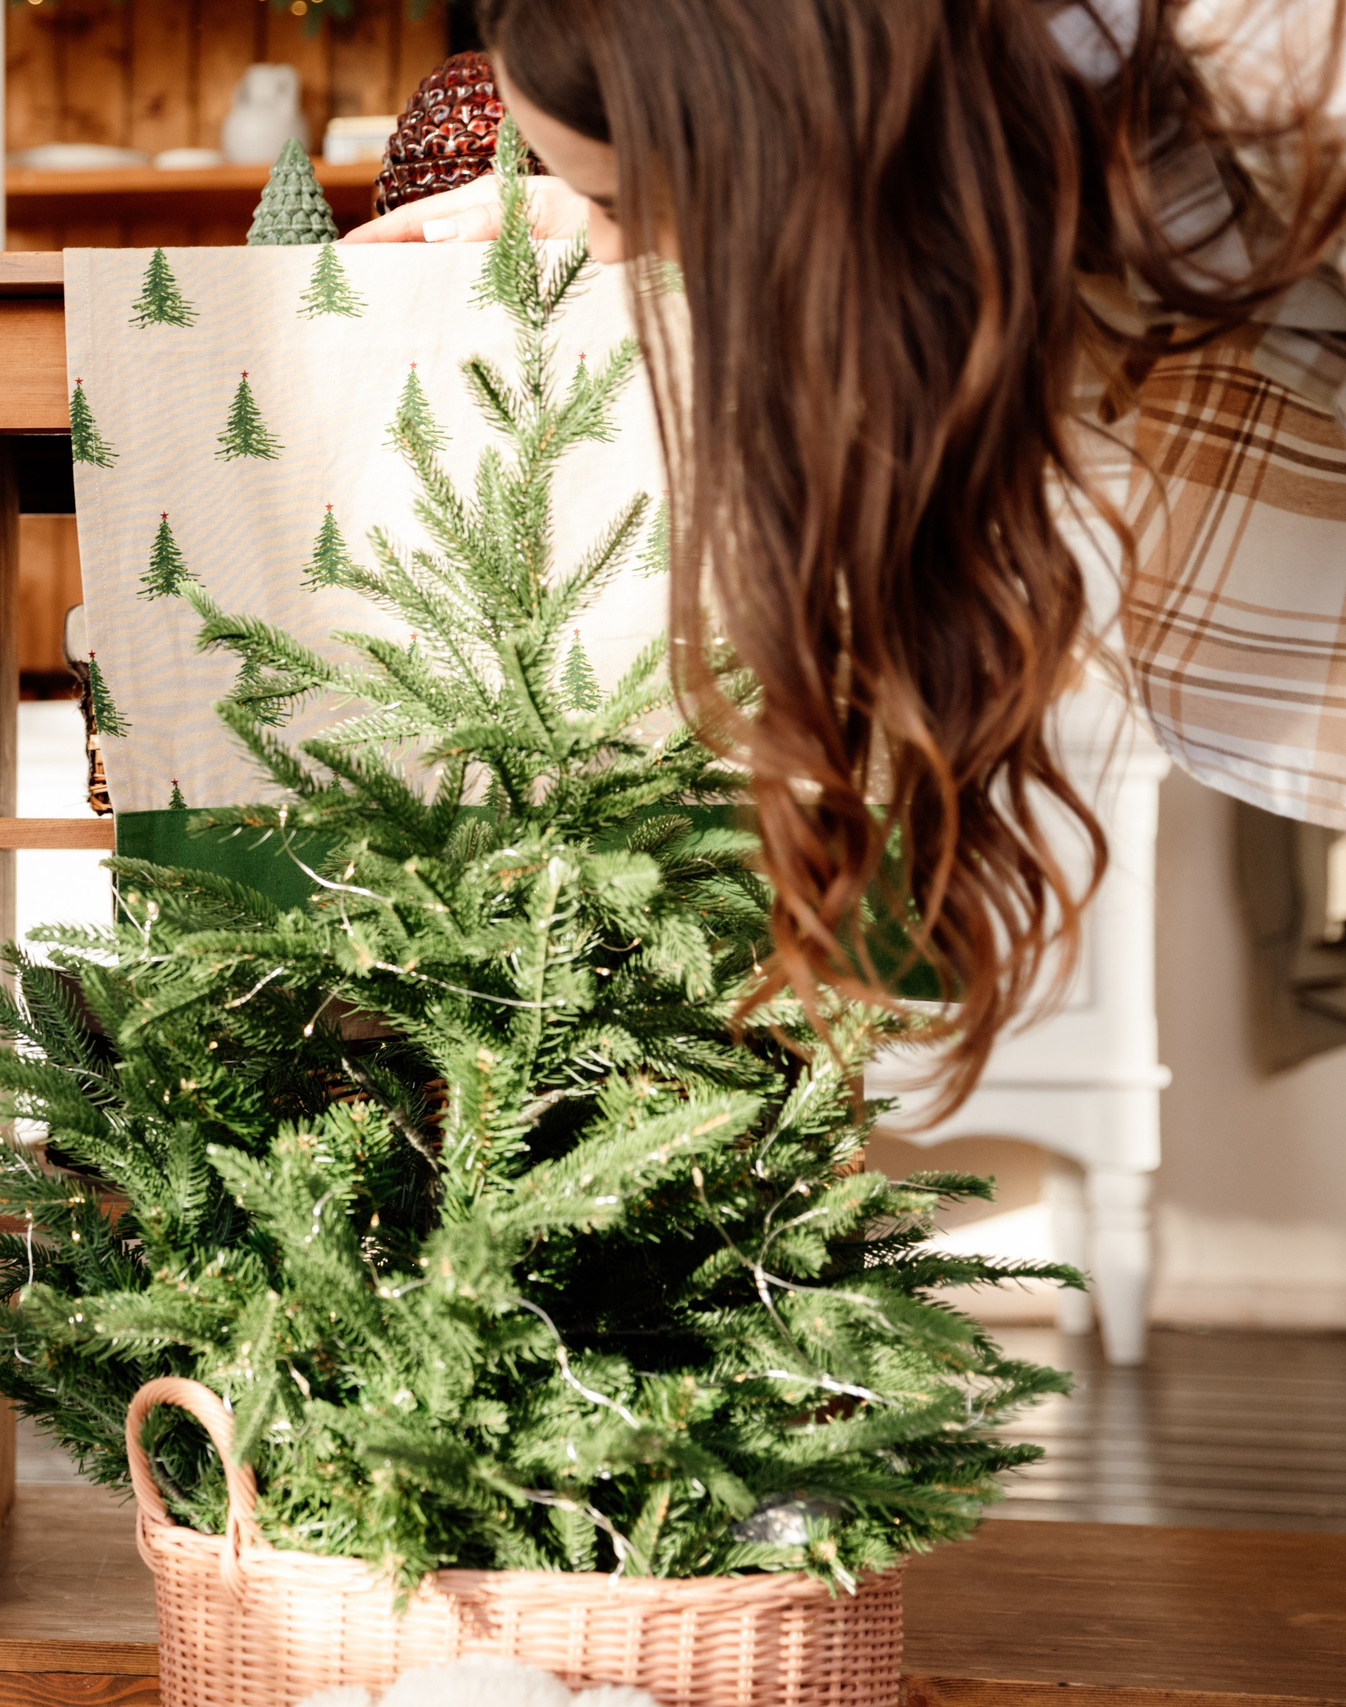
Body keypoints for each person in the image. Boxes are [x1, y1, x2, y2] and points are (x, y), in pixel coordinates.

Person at [350, 0, 1346, 1093]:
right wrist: (630, 197)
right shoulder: (979, 143)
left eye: (621, 198)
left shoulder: (1280, 61)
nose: (609, 243)